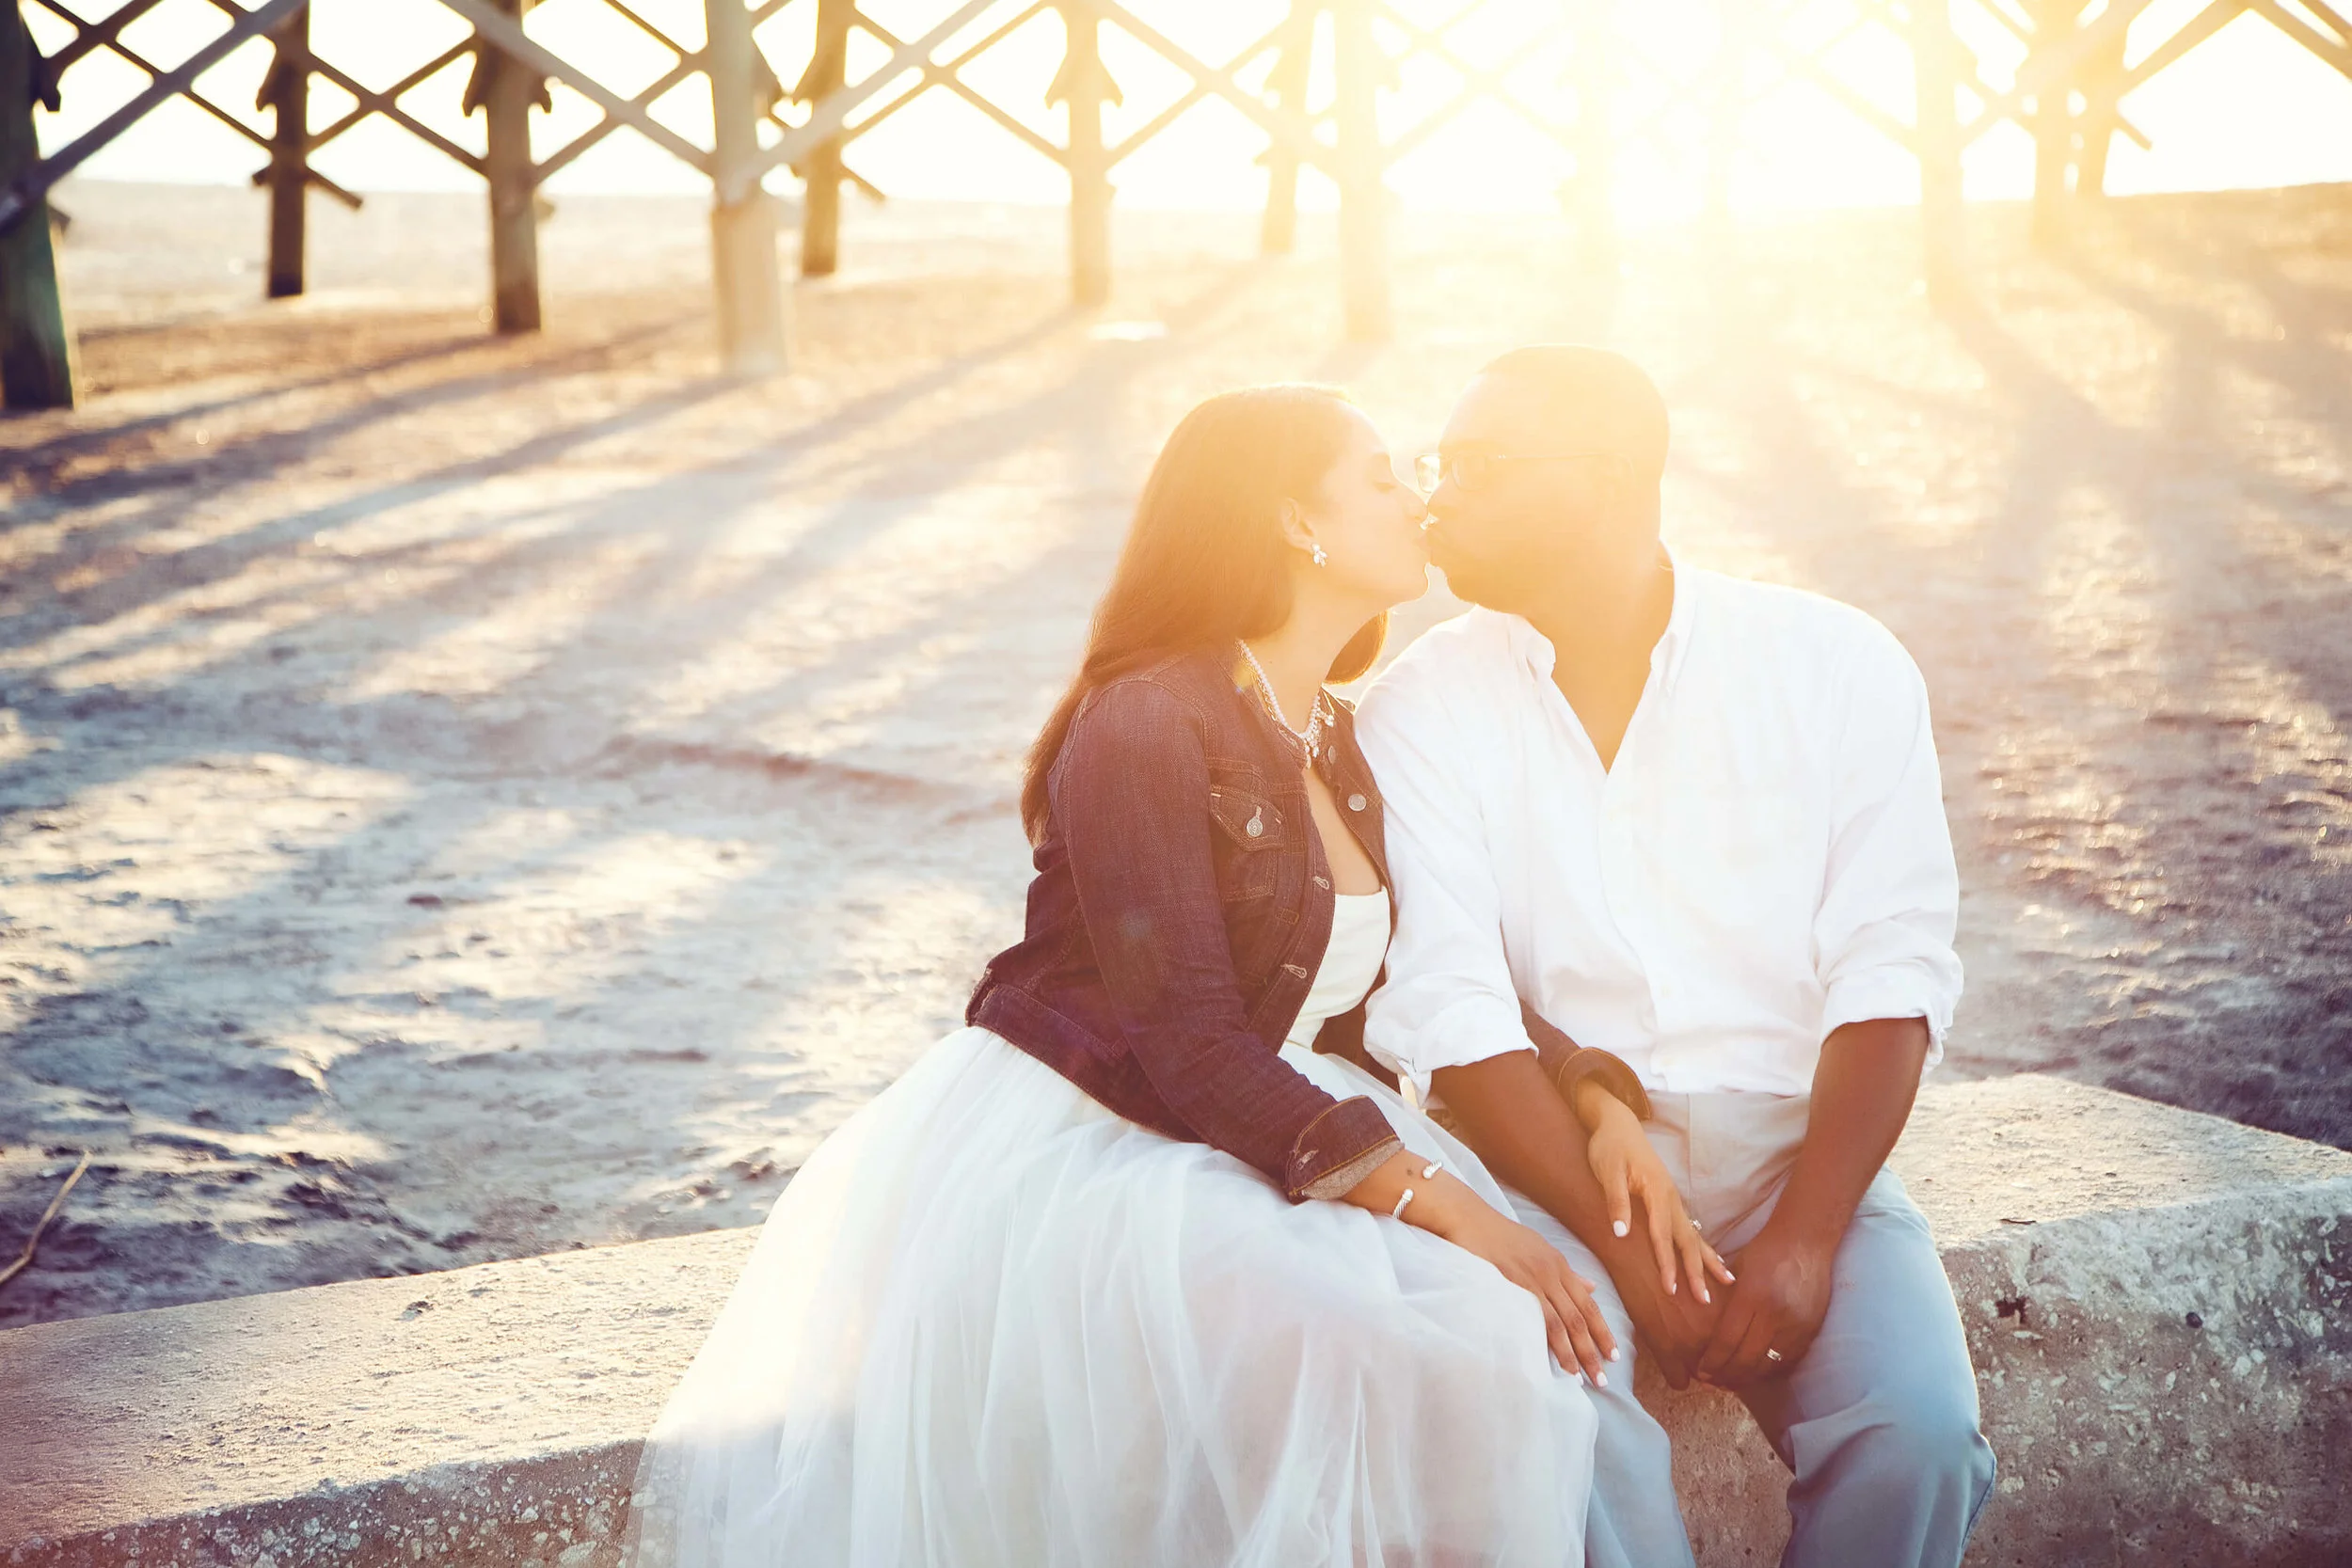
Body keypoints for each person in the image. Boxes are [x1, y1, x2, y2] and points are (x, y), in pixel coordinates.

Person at [624, 385, 1682, 1568]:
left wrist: (1596, 1093)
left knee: (1550, 1316)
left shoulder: (1340, 731)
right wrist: (1456, 1206)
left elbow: (1437, 961)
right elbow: (1183, 1037)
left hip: (1282, 1101)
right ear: (1295, 521)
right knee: (1409, 1337)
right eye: (1383, 475)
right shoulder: (1142, 723)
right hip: (1116, 1128)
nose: (1419, 494)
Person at [1357, 346, 1998, 1568]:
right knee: (1567, 1441)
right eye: (1434, 467)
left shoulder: (1836, 661)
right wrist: (1611, 1244)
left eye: (1478, 466)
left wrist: (1807, 1237)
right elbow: (1450, 1005)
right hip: (1549, 1171)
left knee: (1921, 1436)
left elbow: (1892, 963)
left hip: (1801, 1163)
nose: (1437, 498)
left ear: (1603, 479)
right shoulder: (1416, 706)